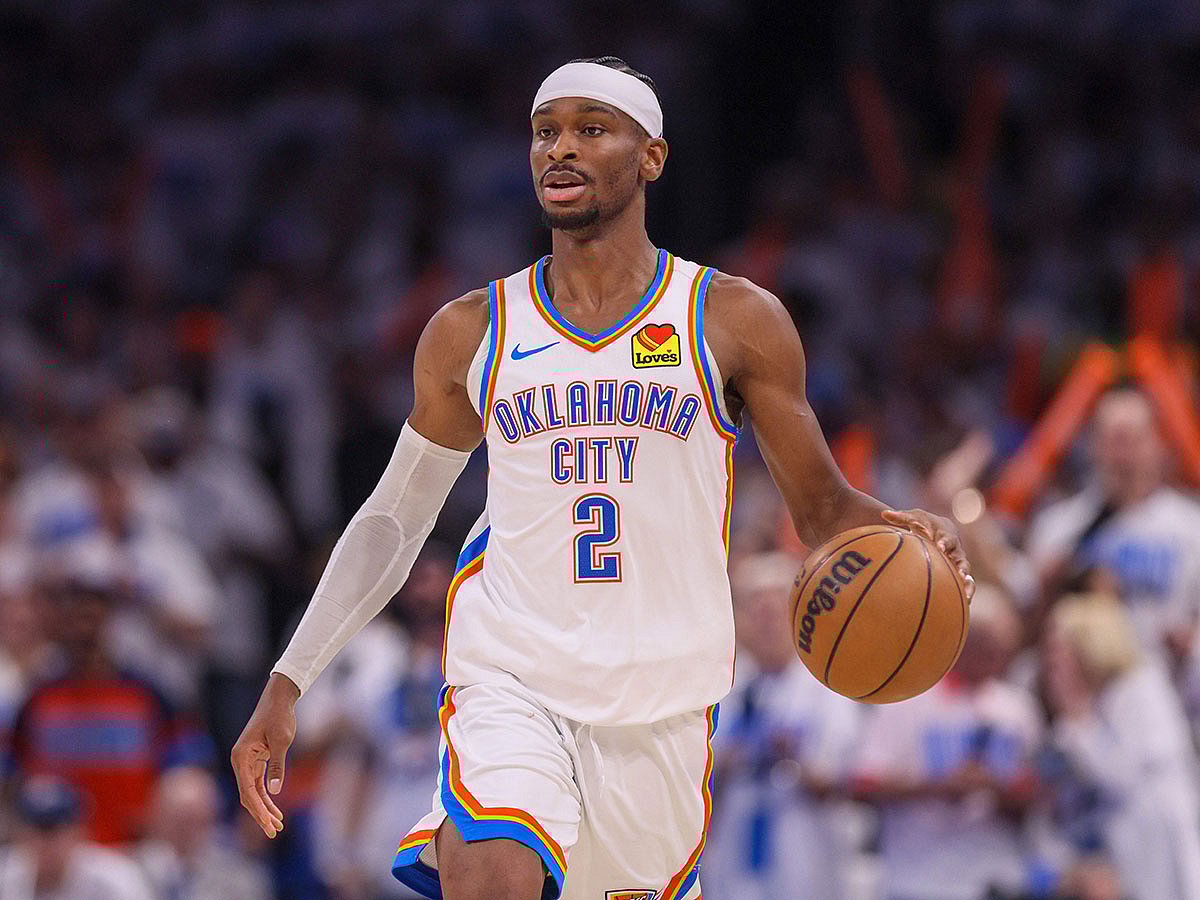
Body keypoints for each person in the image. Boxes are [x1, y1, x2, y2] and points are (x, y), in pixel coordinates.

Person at [232, 56, 973, 900]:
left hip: (662, 701)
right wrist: (288, 682)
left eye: (592, 129)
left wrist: (902, 529)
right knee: (490, 873)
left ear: (651, 154)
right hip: (511, 675)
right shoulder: (472, 329)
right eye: (546, 131)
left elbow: (825, 509)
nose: (561, 150)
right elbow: (394, 521)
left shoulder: (731, 319)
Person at [852, 585, 1040, 900]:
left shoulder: (1016, 707)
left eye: (1003, 651)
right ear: (962, 643)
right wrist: (937, 787)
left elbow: (1037, 791)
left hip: (995, 877)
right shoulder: (907, 699)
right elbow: (863, 783)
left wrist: (997, 788)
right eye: (988, 649)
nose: (998, 661)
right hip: (918, 878)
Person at [702, 551, 862, 900]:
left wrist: (792, 755)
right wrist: (727, 760)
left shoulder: (827, 685)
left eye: (774, 613)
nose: (766, 624)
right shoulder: (722, 685)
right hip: (735, 845)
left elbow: (840, 777)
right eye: (755, 613)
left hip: (803, 845)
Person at [1041, 593, 1200, 900]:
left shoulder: (1140, 686)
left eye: (1060, 649)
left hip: (1156, 843)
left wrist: (1077, 716)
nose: (1052, 661)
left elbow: (1119, 777)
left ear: (1089, 643)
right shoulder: (1080, 707)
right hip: (1113, 853)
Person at [0, 776, 156, 900]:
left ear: (79, 832)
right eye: (36, 831)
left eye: (54, 832)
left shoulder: (116, 878)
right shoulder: (5, 875)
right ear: (19, 834)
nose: (44, 843)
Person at [135, 766, 275, 900]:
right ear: (154, 818)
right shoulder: (130, 870)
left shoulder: (241, 877)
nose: (184, 832)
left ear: (211, 818)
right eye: (176, 820)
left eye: (193, 819)